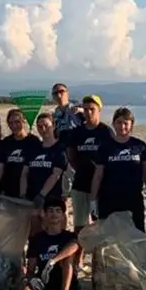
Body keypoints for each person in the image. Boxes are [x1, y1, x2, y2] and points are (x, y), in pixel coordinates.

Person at [0, 199, 79, 290]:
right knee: (28, 289)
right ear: (44, 214)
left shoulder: (69, 236)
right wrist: (29, 279)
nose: (54, 214)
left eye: (58, 211)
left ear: (63, 216)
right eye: (51, 211)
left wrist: (53, 261)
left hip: (64, 281)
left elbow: (75, 246)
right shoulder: (37, 239)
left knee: (68, 258)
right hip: (44, 280)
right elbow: (31, 268)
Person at [60, 94, 108, 276]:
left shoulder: (105, 131)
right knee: (80, 226)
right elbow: (70, 153)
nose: (88, 113)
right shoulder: (78, 132)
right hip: (80, 183)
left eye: (92, 109)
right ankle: (78, 260)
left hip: (101, 186)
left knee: (99, 225)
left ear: (99, 110)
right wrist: (79, 167)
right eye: (85, 109)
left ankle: (98, 262)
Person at [88, 107, 146, 233]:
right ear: (113, 124)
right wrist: (93, 200)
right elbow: (98, 175)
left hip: (133, 199)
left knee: (135, 237)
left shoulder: (140, 146)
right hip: (108, 200)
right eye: (119, 122)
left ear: (131, 125)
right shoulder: (105, 147)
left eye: (126, 123)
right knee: (109, 239)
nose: (122, 126)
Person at [21, 113, 68, 234]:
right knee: (35, 236)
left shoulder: (60, 149)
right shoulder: (34, 148)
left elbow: (56, 175)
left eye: (46, 125)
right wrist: (23, 194)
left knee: (55, 235)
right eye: (40, 126)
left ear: (53, 126)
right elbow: (25, 173)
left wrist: (42, 195)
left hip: (53, 200)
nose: (43, 129)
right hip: (32, 198)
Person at [0, 109, 40, 199]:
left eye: (17, 122)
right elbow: (2, 167)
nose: (14, 126)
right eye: (10, 123)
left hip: (28, 190)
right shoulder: (6, 142)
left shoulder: (33, 141)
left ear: (24, 121)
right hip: (8, 190)